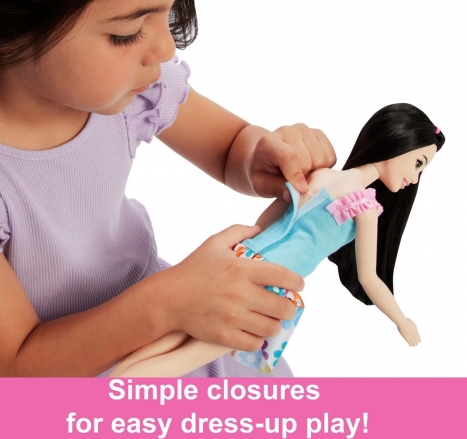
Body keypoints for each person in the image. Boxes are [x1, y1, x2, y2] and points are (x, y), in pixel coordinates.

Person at [0, 0, 336, 377]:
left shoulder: (129, 91)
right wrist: (167, 303)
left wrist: (261, 155)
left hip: (162, 322)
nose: (164, 48)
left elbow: (230, 146)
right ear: (6, 28)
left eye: (170, 8)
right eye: (127, 33)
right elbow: (20, 364)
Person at [108, 104, 445, 377]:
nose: (414, 178)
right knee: (188, 357)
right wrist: (401, 320)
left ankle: (101, 390)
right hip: (265, 284)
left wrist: (233, 254)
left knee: (168, 341)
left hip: (242, 257)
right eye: (418, 163)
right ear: (398, 142)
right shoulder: (365, 207)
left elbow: (262, 223)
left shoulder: (320, 174)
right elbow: (369, 277)